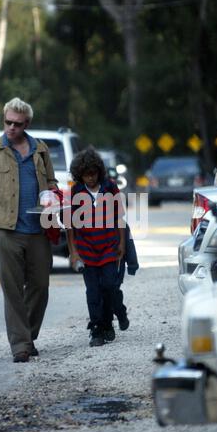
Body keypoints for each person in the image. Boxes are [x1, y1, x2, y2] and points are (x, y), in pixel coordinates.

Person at [0, 97, 58, 362]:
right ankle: (20, 345)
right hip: (6, 232)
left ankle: (29, 335)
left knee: (40, 287)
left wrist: (52, 198)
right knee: (12, 291)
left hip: (39, 231)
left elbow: (52, 181)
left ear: (27, 124)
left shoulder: (40, 149)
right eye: (7, 122)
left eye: (17, 124)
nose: (11, 128)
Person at [67, 147, 126, 347]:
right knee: (93, 291)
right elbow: (70, 224)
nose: (90, 178)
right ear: (79, 174)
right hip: (86, 248)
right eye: (85, 175)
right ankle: (96, 329)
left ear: (98, 171)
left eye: (93, 174)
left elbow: (120, 218)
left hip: (109, 246)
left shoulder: (110, 187)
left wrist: (122, 245)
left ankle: (109, 322)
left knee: (109, 286)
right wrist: (73, 252)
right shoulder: (75, 191)